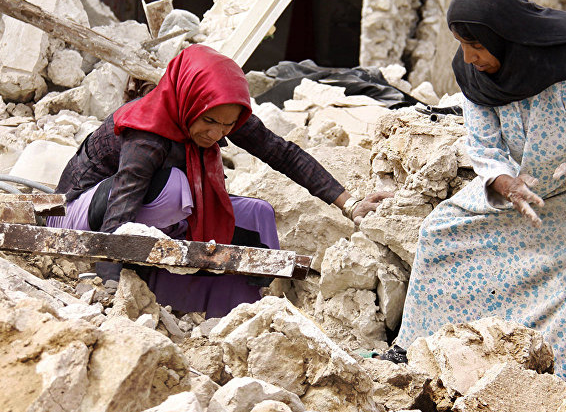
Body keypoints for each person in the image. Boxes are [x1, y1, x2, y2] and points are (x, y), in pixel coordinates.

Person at [393, 0, 566, 398]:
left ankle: (562, 393)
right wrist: (506, 183)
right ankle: (420, 351)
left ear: (506, 36)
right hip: (526, 193)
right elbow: (484, 146)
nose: (468, 57)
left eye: (476, 46)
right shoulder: (475, 76)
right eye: (462, 44)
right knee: (440, 234)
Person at [48, 44, 385, 317]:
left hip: (147, 214)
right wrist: (112, 292)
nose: (217, 134)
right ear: (190, 101)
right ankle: (145, 273)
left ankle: (234, 306)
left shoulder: (220, 115)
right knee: (175, 188)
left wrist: (350, 204)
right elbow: (117, 222)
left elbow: (283, 153)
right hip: (79, 216)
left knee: (258, 214)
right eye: (209, 122)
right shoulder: (146, 135)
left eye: (227, 126)